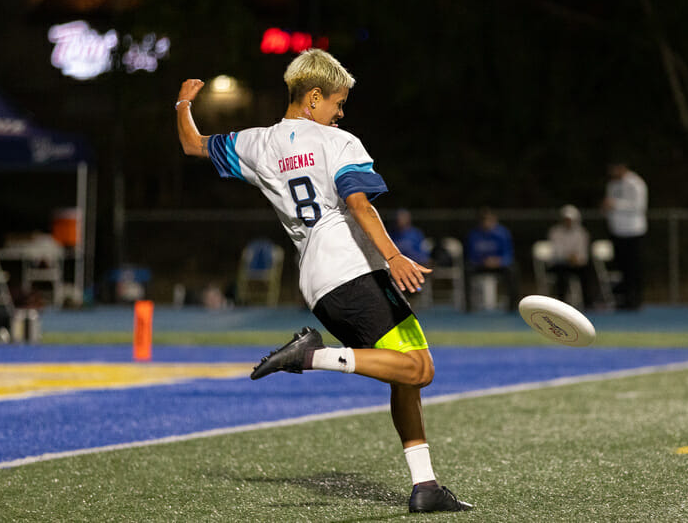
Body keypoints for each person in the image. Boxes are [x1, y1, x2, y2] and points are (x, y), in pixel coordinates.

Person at [175, 49, 471, 513]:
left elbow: (193, 145)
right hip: (354, 270)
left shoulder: (257, 142)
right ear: (313, 98)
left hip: (317, 282)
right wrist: (393, 255)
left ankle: (425, 485)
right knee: (420, 369)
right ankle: (310, 355)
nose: (341, 112)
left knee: (402, 376)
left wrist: (182, 106)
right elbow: (358, 202)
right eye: (337, 102)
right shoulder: (340, 142)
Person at [601, 162, 648, 310]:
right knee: (621, 267)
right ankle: (624, 299)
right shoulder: (612, 185)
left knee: (633, 267)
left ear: (621, 167)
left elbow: (639, 206)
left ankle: (636, 299)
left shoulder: (636, 183)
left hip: (634, 231)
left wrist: (615, 204)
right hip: (617, 231)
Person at [464, 207, 517, 311]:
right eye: (483, 219)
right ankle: (468, 306)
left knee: (512, 270)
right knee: (467, 269)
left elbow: (508, 254)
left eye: (489, 219)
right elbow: (470, 255)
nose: (486, 222)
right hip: (481, 264)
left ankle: (513, 306)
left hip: (499, 265)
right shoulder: (474, 235)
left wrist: (499, 261)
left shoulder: (503, 233)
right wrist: (483, 261)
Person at [546, 205, 594, 308]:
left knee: (587, 271)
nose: (568, 221)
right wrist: (568, 257)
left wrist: (577, 259)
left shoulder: (582, 233)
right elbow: (557, 251)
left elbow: (583, 254)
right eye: (566, 219)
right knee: (561, 274)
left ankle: (589, 303)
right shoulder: (555, 232)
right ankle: (561, 303)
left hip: (577, 264)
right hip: (560, 263)